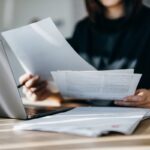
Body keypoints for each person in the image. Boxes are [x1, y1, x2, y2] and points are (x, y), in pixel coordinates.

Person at [19, 0, 150, 108]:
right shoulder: (82, 29)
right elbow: (79, 95)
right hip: (86, 120)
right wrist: (45, 93)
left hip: (139, 123)